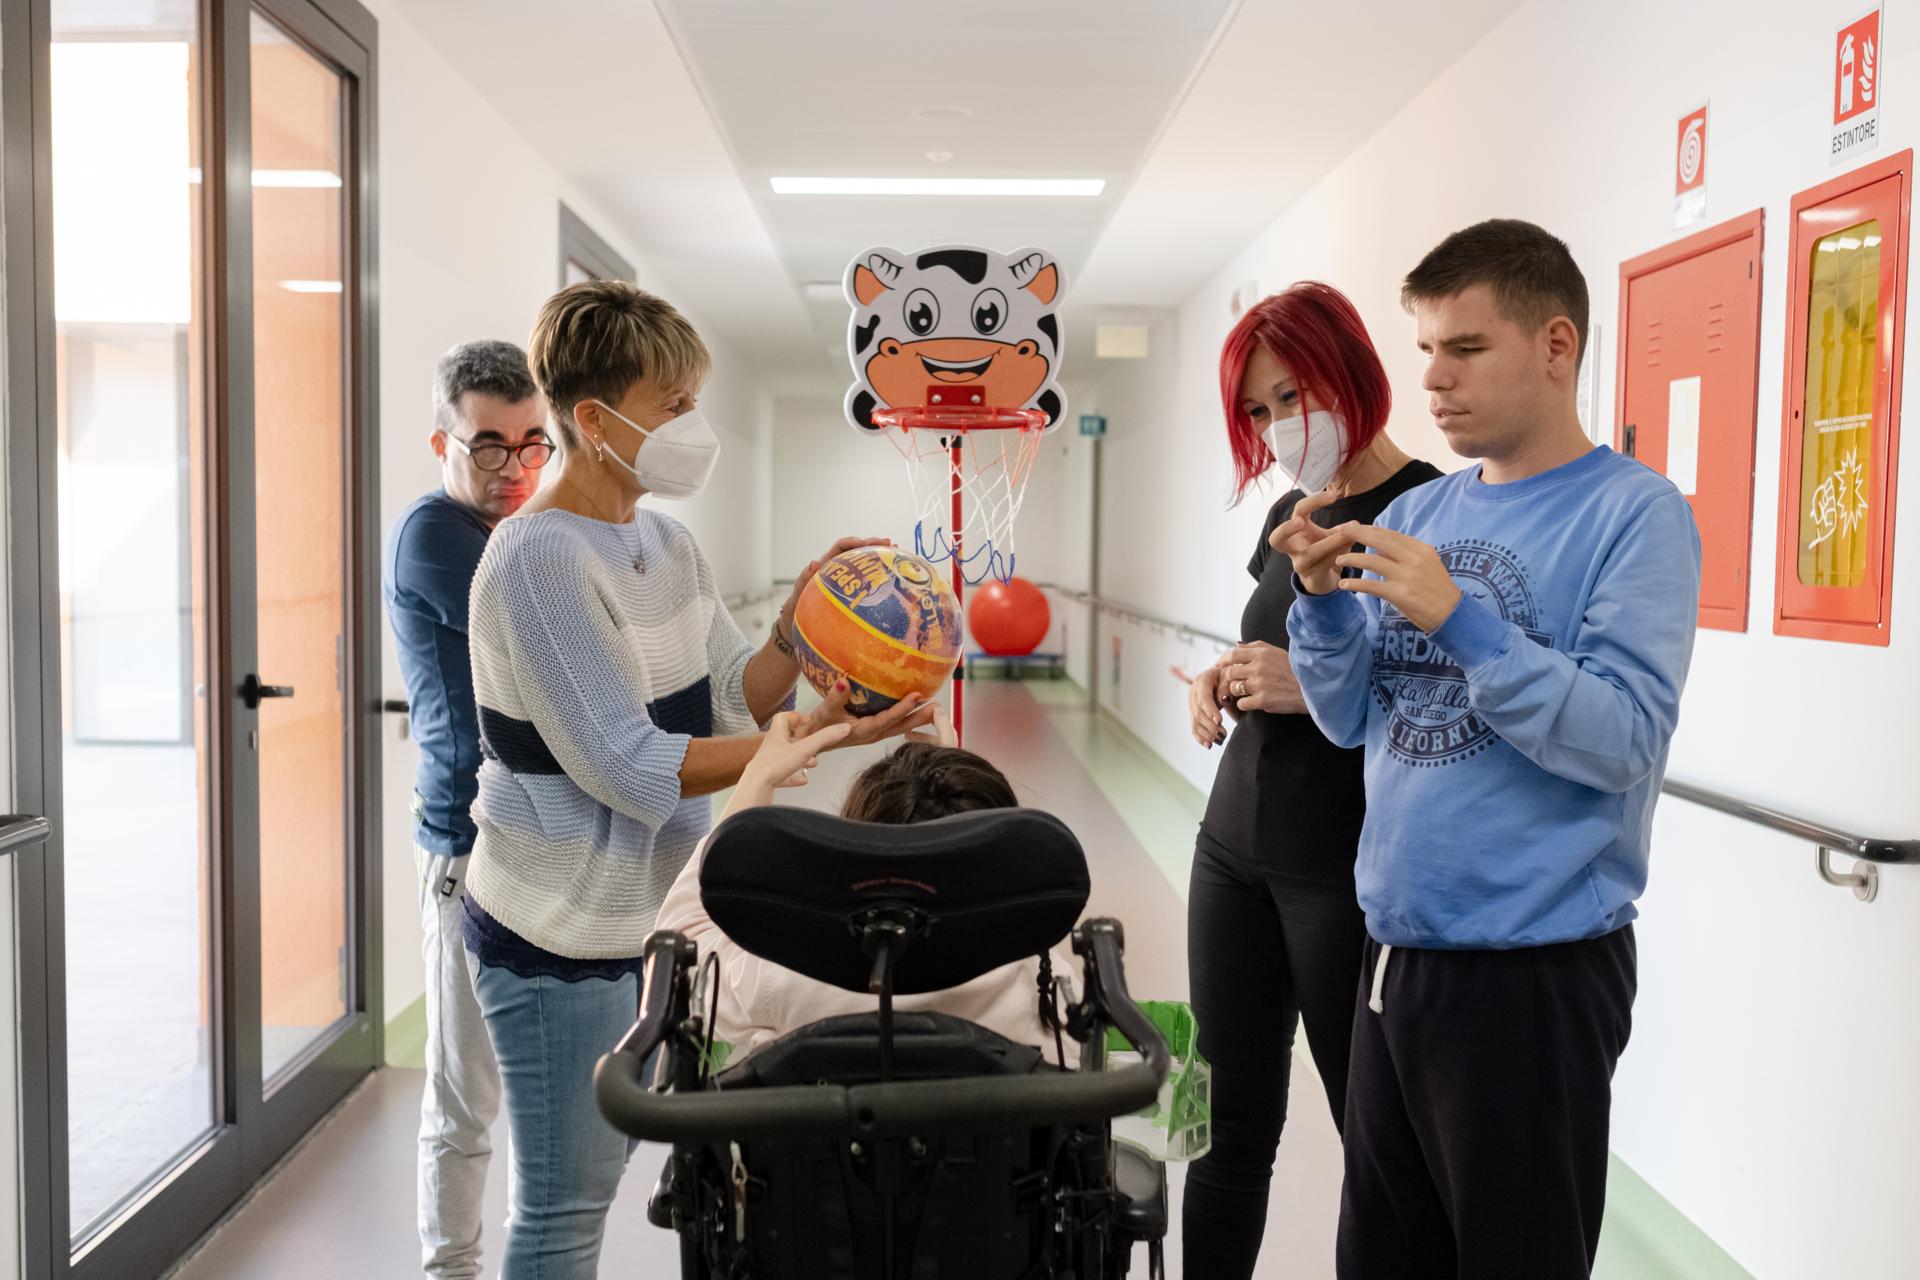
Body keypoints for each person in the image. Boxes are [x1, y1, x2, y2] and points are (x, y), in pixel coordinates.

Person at [461, 279, 933, 1279]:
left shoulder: (665, 542)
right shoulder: (535, 561)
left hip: (657, 920)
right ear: (595, 421)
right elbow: (632, 766)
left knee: (643, 1172)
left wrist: (797, 629)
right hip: (559, 937)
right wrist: (825, 738)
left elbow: (730, 701)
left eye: (692, 400)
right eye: (671, 403)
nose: (691, 424)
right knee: (565, 1208)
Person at [1275, 220, 1702, 1278]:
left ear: (1556, 345)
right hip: (1395, 955)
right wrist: (1318, 604)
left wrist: (1462, 620)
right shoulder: (1421, 509)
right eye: (1427, 349)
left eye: (1464, 348)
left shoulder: (1635, 514)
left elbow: (1622, 738)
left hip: (1530, 974)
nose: (1433, 378)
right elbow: (1350, 719)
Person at [1180, 283, 1440, 1279]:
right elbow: (1269, 639)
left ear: (1352, 371)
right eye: (1259, 410)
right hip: (1231, 849)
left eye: (1293, 395)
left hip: (1341, 867)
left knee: (1373, 1135)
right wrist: (1219, 676)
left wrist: (1322, 687)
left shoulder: (1430, 512)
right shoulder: (1291, 514)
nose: (1279, 425)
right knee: (1224, 1122)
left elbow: (1448, 705)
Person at [382, 339, 552, 1280]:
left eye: (532, 443)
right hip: (466, 851)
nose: (514, 467)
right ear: (442, 443)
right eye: (489, 443)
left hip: (544, 847)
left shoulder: (519, 533)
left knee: (539, 1096)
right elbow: (547, 645)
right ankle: (450, 1271)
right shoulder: (436, 537)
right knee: (464, 1097)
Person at [655, 705, 1079, 1066]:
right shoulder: (1038, 979)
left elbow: (678, 950)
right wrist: (959, 796)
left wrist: (757, 778)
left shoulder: (780, 974)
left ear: (858, 848)